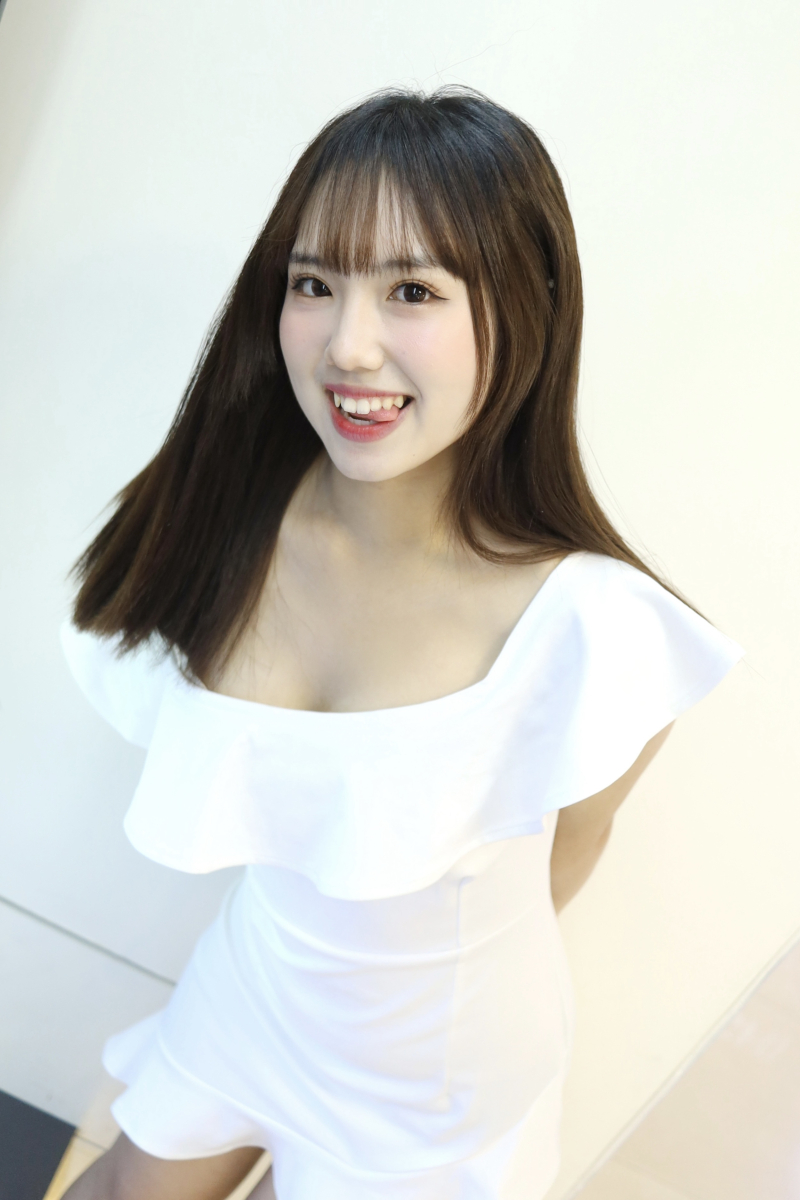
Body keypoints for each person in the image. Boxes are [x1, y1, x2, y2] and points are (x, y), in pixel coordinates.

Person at [60, 87, 742, 1200]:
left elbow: (572, 848)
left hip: (435, 1083)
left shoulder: (592, 631)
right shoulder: (219, 517)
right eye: (313, 283)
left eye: (413, 290)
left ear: (525, 309)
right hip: (260, 980)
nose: (349, 344)